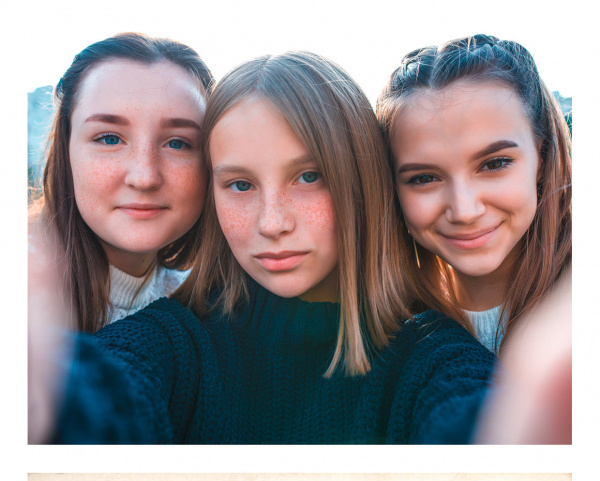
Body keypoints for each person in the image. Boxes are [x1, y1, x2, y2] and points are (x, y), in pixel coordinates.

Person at [32, 51, 496, 445]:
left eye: (309, 176)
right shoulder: (178, 339)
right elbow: (111, 389)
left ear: (362, 181)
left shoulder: (434, 357)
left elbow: (477, 418)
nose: (272, 223)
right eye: (239, 184)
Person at [376, 34, 571, 353]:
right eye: (424, 178)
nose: (464, 210)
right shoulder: (387, 333)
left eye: (494, 164)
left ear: (543, 157)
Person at [29, 32, 213, 332]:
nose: (144, 177)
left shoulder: (212, 312)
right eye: (110, 139)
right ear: (67, 150)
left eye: (177, 143)